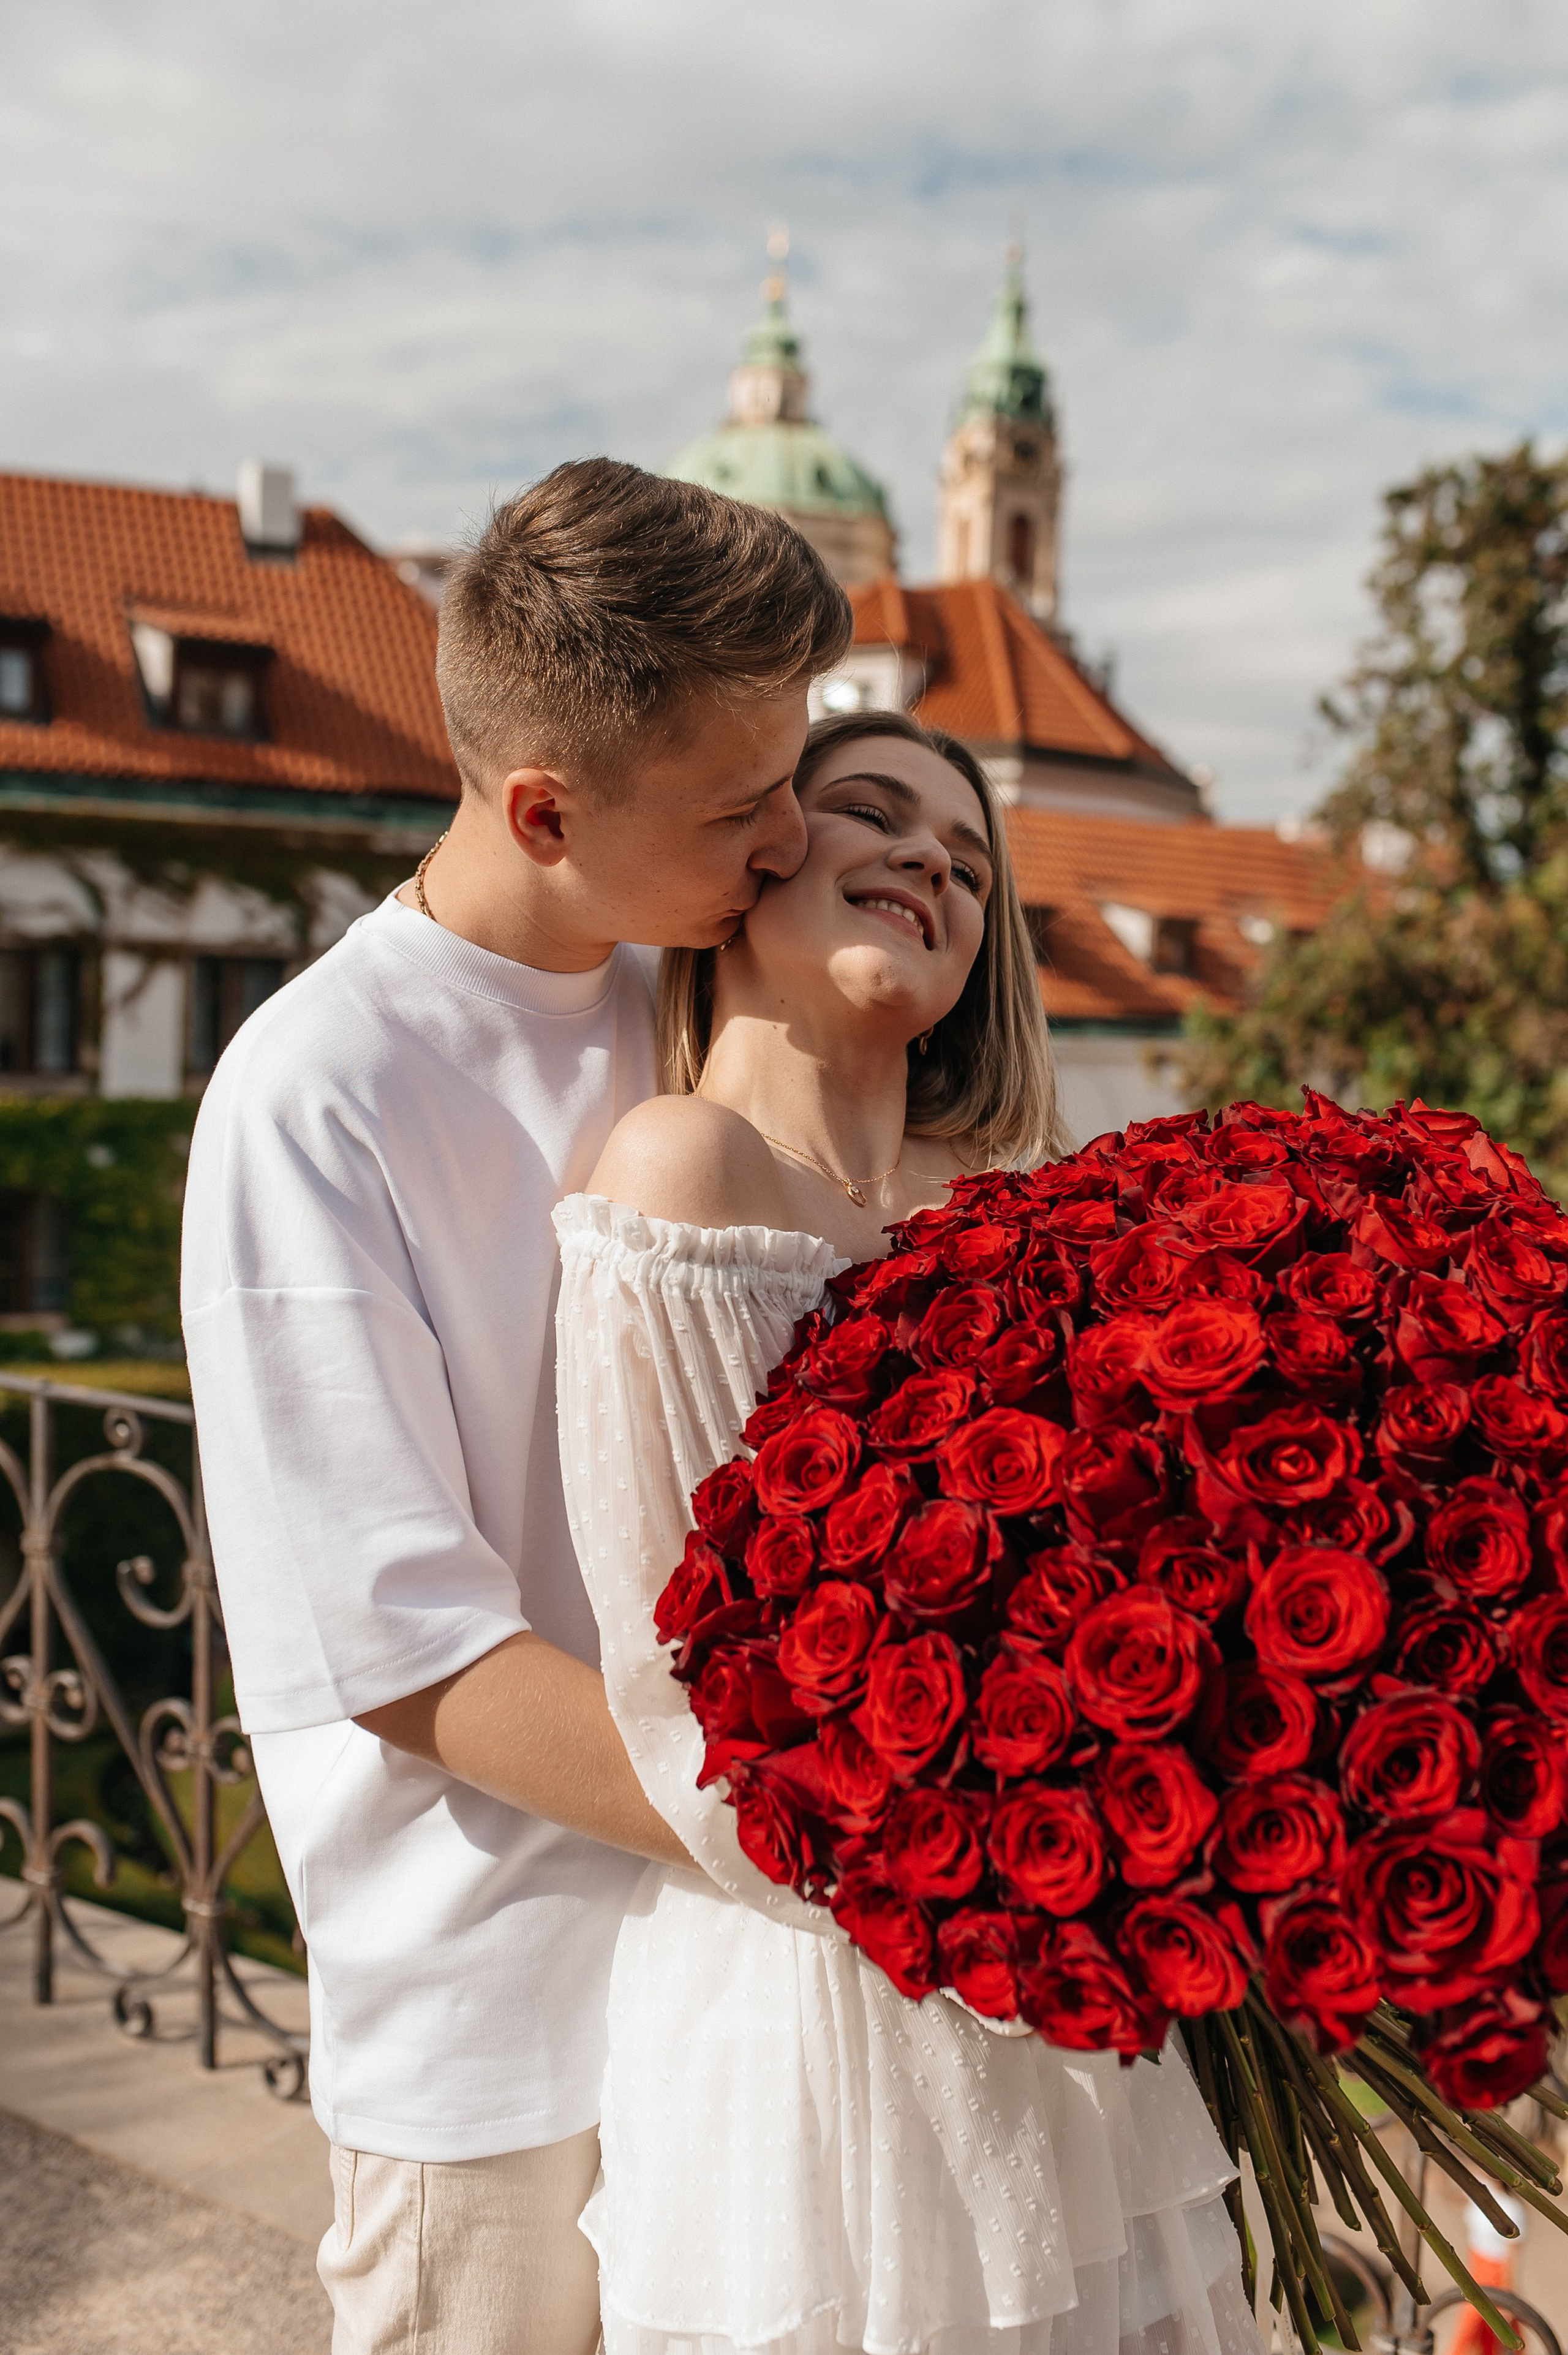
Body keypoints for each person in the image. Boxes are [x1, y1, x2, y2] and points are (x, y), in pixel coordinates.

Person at [180, 458, 853, 2355]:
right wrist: (814, 1826)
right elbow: (404, 1645)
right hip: (496, 2037)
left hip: (740, 1992)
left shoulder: (715, 993)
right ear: (544, 808)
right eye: (744, 803)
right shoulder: (314, 1088)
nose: (793, 839)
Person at [554, 708, 1264, 2355]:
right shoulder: (684, 1166)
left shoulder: (1018, 1196)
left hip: (1069, 1999)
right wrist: (994, 1881)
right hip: (823, 2015)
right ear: (753, 864)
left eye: (965, 855)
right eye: (872, 810)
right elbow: (692, 1694)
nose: (930, 857)